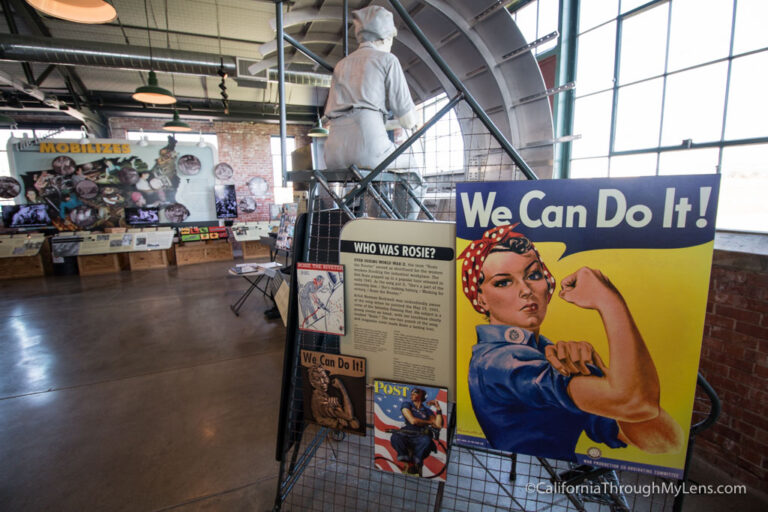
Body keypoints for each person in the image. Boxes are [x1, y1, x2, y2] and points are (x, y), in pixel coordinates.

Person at [458, 223, 683, 461]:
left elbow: (665, 441)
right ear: (480, 299)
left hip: (556, 478)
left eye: (533, 275)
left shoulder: (545, 351)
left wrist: (602, 375)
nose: (525, 290)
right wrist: (609, 301)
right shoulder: (499, 362)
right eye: (503, 282)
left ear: (547, 284)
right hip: (539, 478)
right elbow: (635, 403)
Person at [323, 5, 422, 217]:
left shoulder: (341, 65)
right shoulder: (387, 60)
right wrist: (413, 119)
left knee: (375, 179)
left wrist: (386, 123)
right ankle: (405, 226)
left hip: (334, 151)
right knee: (412, 169)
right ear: (385, 36)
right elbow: (407, 119)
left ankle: (375, 222)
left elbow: (343, 113)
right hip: (368, 147)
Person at [390, 388, 443, 475]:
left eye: (415, 393)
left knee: (426, 441)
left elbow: (438, 425)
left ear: (422, 395)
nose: (412, 394)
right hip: (407, 432)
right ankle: (407, 461)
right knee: (395, 437)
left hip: (420, 435)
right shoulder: (407, 404)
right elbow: (413, 421)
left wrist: (438, 408)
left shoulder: (427, 411)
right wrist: (429, 422)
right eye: (412, 393)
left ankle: (416, 462)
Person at [306, 364, 360, 431]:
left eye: (324, 377)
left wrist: (338, 409)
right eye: (318, 379)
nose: (323, 382)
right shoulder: (320, 400)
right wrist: (342, 388)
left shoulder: (322, 395)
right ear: (312, 383)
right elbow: (349, 416)